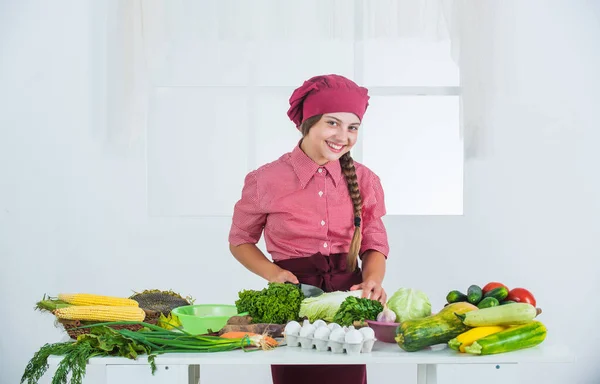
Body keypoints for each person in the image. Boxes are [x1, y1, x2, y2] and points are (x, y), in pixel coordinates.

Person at [228, 74, 389, 384]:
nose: (343, 135)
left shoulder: (365, 179)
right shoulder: (267, 179)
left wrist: (372, 280)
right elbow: (240, 240)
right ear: (308, 124)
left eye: (352, 127)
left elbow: (374, 240)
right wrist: (272, 274)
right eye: (332, 123)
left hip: (349, 304)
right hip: (291, 300)